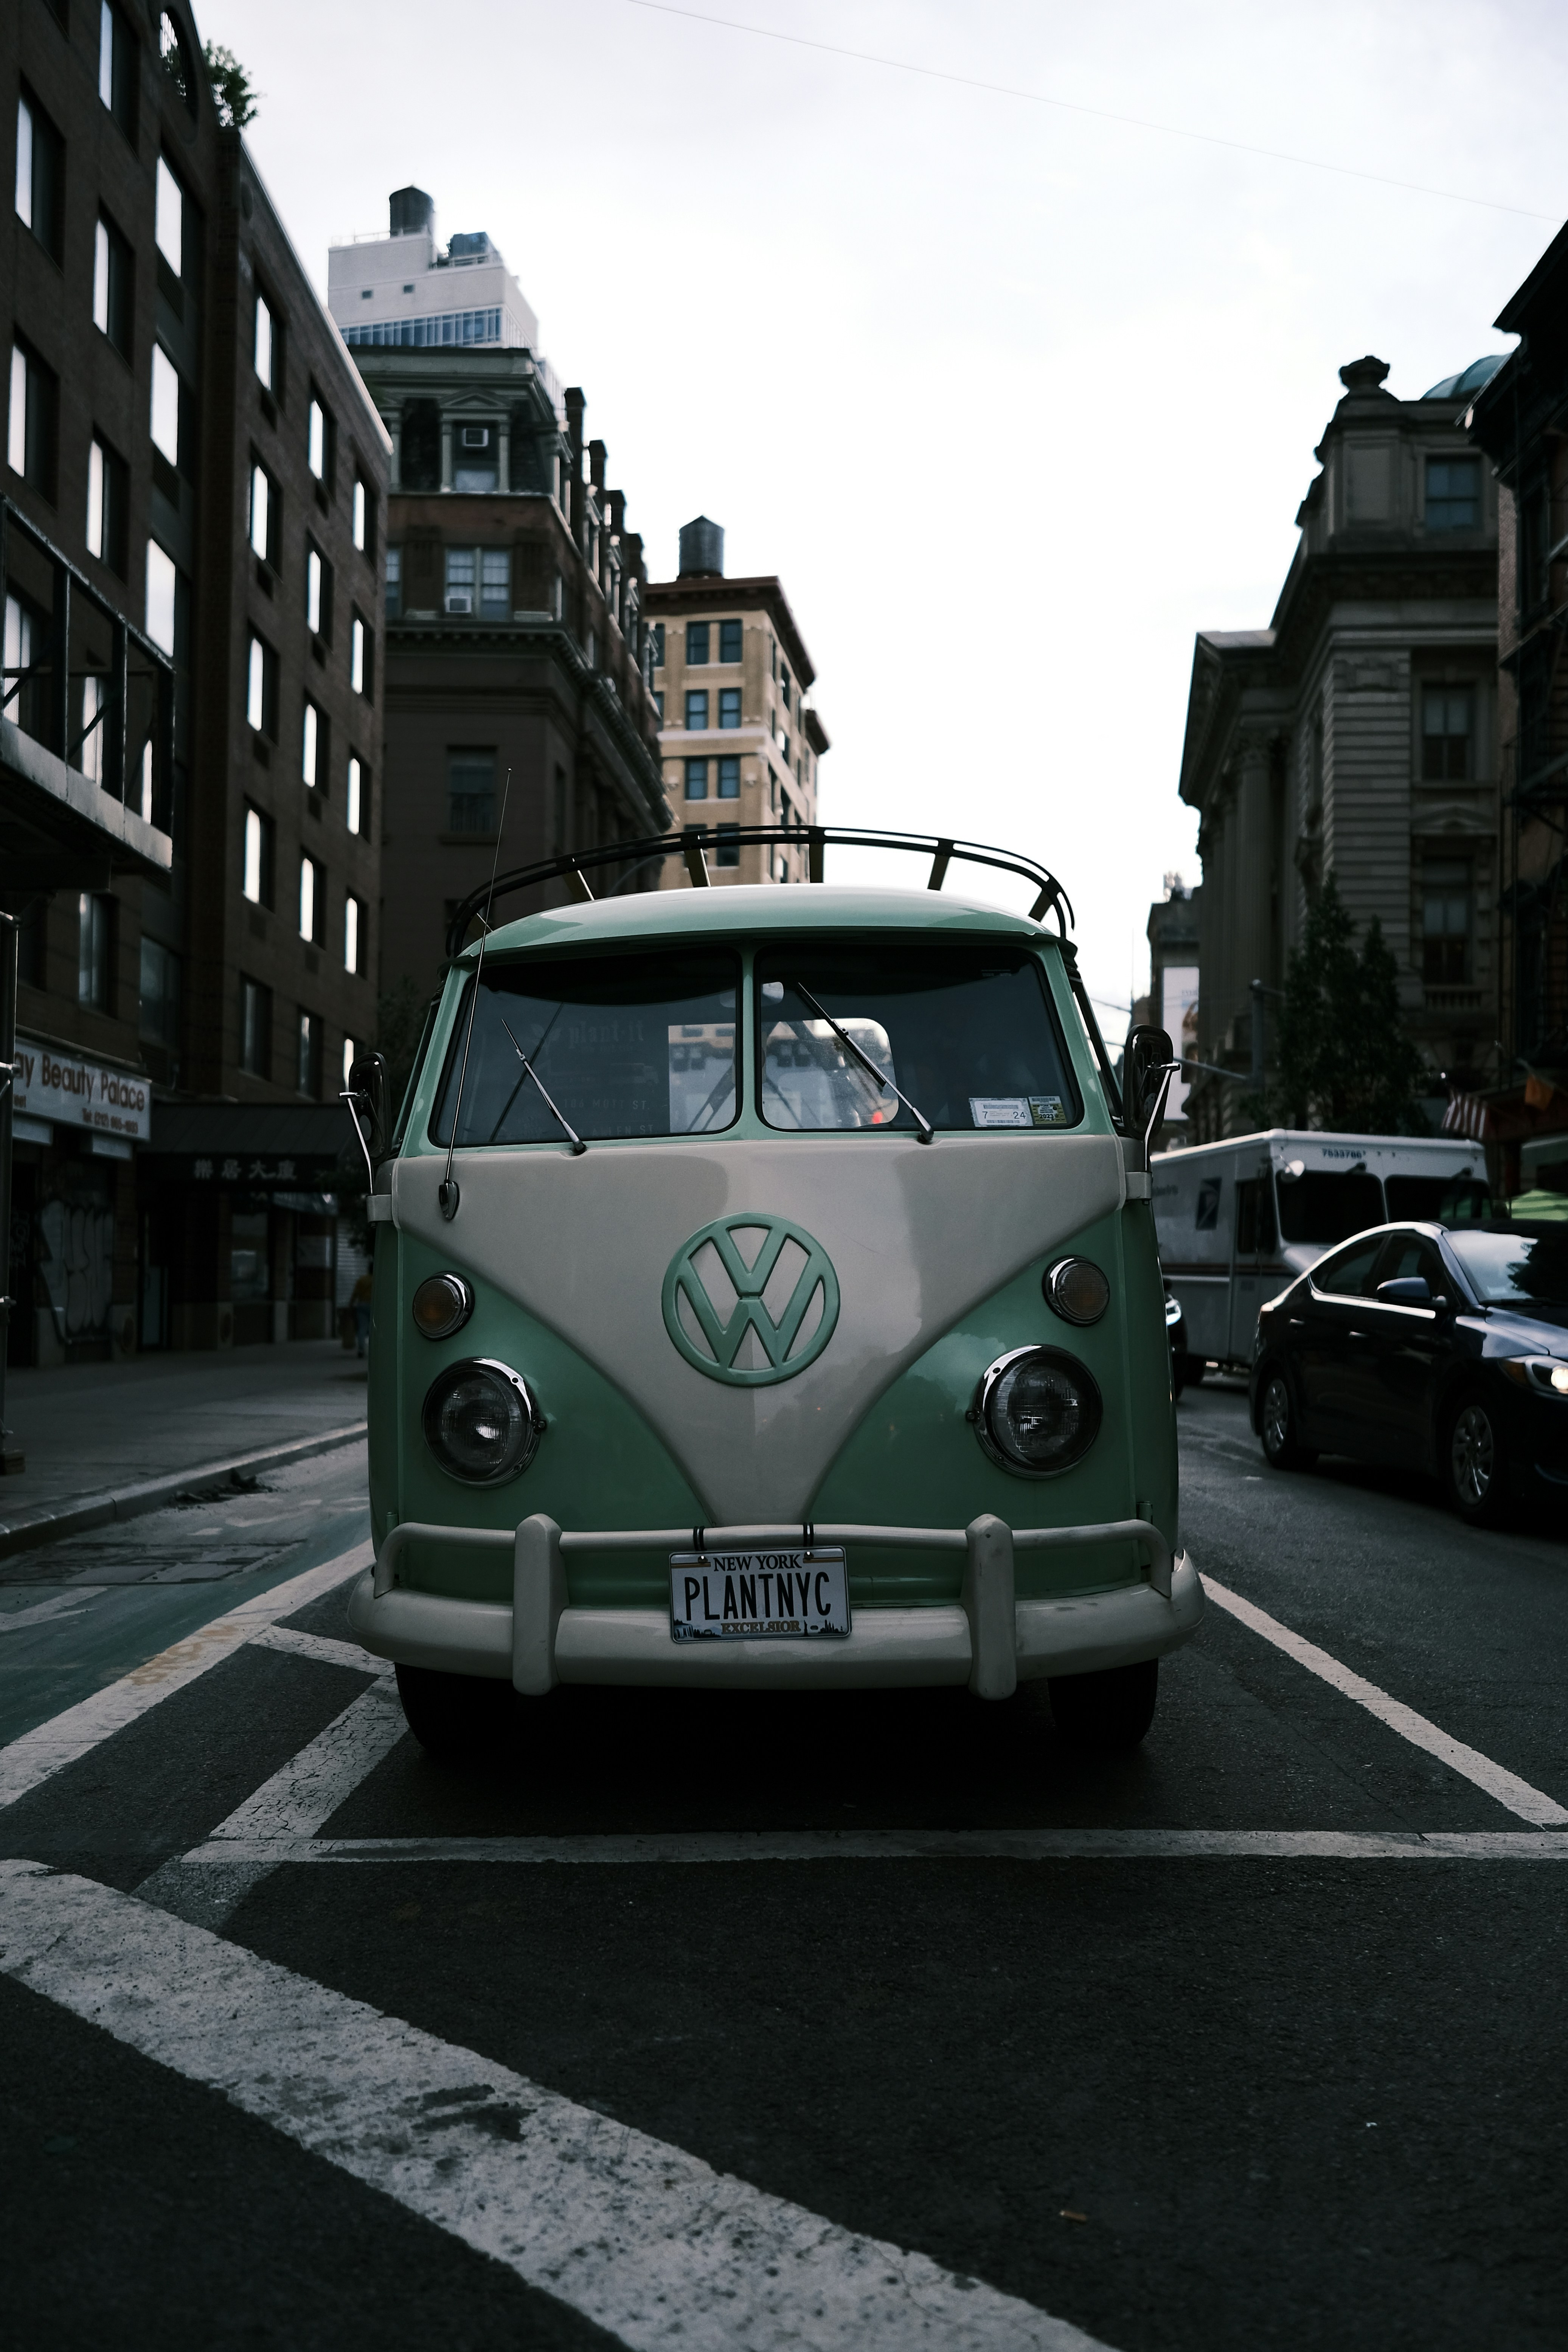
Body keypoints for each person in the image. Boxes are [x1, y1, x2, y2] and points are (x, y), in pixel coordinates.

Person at [351, 1268, 373, 1359]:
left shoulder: (362, 1280)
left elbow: (356, 1293)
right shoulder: (378, 1280)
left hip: (362, 1305)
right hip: (374, 1305)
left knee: (362, 1328)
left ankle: (361, 1349)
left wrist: (351, 1304)